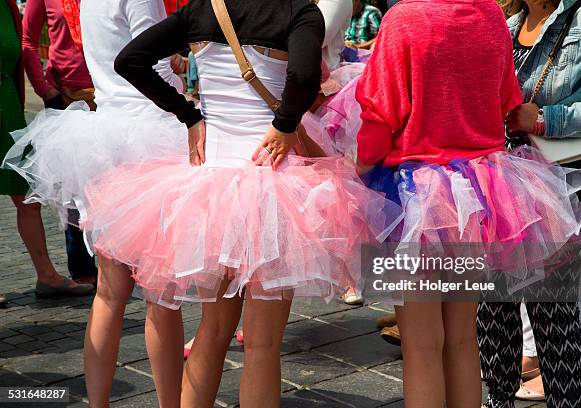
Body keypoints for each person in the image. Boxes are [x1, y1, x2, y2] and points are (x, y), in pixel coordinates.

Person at [78, 0, 390, 405]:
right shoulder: (299, 12)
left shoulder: (205, 8)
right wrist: (284, 124)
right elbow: (303, 75)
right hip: (274, 188)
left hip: (211, 188)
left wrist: (188, 116)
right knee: (262, 346)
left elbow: (130, 59)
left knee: (211, 332)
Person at [355, 0, 581, 406]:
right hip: (481, 193)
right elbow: (506, 99)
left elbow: (380, 114)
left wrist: (360, 171)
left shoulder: (403, 18)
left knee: (421, 346)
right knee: (464, 341)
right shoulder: (490, 15)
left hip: (413, 197)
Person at [3, 0, 188, 406]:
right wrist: (187, 102)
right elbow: (148, 63)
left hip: (107, 134)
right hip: (148, 136)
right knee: (160, 296)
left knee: (109, 290)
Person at [478, 0, 581, 406]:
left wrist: (544, 120)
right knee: (494, 307)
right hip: (503, 182)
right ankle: (497, 399)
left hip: (558, 184)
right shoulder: (506, 23)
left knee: (553, 309)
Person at [0, 0, 93, 300]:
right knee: (66, 192)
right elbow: (29, 39)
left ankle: (51, 276)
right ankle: (76, 268)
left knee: (28, 195)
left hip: (10, 105)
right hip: (60, 97)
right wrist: (46, 90)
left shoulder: (7, 5)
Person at [21, 0, 99, 286]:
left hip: (109, 96)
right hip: (66, 98)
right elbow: (27, 40)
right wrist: (45, 89)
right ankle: (83, 271)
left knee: (116, 183)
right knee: (73, 189)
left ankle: (121, 266)